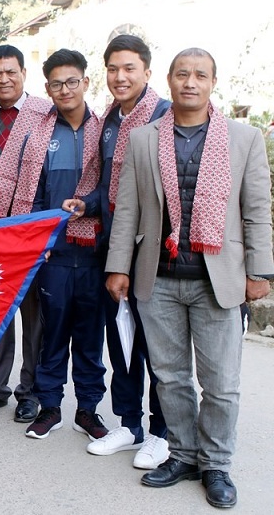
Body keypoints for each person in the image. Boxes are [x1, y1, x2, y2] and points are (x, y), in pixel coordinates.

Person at [105, 47, 273, 509]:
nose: (190, 82)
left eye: (200, 75)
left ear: (213, 83)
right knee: (170, 377)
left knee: (221, 383)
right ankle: (182, 454)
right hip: (157, 278)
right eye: (183, 74)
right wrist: (118, 266)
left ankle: (215, 464)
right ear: (170, 80)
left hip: (218, 279)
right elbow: (128, 209)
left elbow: (257, 210)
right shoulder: (144, 139)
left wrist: (259, 270)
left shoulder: (243, 139)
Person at [64, 35, 171, 469]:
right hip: (112, 249)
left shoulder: (163, 117)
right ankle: (130, 424)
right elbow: (111, 186)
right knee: (121, 341)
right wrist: (85, 204)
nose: (120, 77)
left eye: (129, 68)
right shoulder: (111, 119)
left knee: (157, 348)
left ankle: (163, 433)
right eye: (113, 69)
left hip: (152, 254)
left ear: (147, 71)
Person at [12, 49, 107, 441]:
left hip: (94, 254)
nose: (65, 89)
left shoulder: (105, 131)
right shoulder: (39, 135)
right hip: (54, 254)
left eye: (72, 81)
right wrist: (40, 238)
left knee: (90, 337)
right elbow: (30, 193)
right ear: (47, 88)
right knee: (51, 336)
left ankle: (87, 411)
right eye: (57, 83)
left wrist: (89, 204)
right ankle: (49, 407)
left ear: (86, 82)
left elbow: (113, 188)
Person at [0, 44, 53, 422]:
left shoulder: (44, 116)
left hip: (29, 232)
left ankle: (30, 392)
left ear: (24, 74)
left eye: (10, 72)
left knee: (34, 318)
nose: (3, 79)